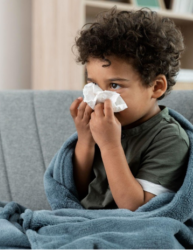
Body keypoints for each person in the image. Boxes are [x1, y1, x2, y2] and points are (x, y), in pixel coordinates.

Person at [69, 7, 190, 211]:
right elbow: (77, 191)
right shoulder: (104, 125)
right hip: (81, 219)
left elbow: (138, 209)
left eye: (114, 85)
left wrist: (109, 146)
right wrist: (85, 139)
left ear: (156, 87)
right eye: (95, 85)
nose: (100, 98)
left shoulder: (169, 138)